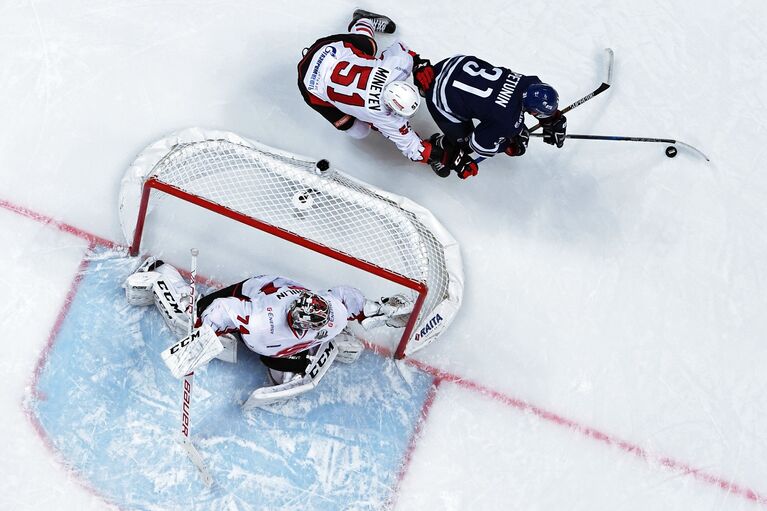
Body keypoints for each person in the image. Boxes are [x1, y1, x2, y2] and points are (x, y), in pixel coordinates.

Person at [124, 257, 413, 404]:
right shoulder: (263, 320)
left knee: (285, 379)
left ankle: (304, 354)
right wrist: (202, 336)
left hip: (278, 345)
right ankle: (159, 273)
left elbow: (345, 298)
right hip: (250, 294)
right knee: (188, 317)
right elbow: (225, 309)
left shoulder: (332, 313)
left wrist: (372, 310)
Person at [297, 9, 443, 167]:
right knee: (360, 131)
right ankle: (364, 20)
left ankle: (364, 23)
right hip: (310, 84)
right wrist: (442, 156)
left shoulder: (393, 68)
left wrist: (418, 65)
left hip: (327, 50)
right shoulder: (380, 114)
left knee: (369, 47)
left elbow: (404, 50)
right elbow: (413, 149)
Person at [411, 54, 568, 179]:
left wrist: (553, 118)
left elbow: (513, 106)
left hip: (452, 65)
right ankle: (439, 147)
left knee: (487, 108)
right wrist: (508, 146)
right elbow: (478, 144)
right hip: (440, 97)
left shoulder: (529, 82)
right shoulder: (508, 121)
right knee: (465, 145)